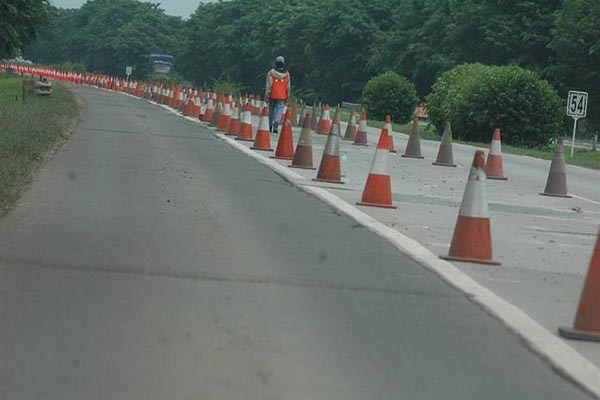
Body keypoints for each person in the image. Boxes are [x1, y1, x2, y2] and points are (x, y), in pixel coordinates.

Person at [265, 56, 290, 133]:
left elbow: (269, 85)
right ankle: (276, 123)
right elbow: (288, 86)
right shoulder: (287, 74)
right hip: (282, 95)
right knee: (279, 109)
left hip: (272, 94)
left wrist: (267, 95)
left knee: (271, 110)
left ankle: (269, 125)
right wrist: (287, 95)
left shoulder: (271, 73)